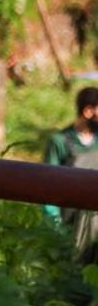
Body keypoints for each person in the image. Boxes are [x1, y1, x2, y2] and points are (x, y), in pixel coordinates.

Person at [43, 86, 98, 262]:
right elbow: (47, 188)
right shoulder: (59, 142)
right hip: (70, 226)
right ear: (88, 111)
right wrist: (56, 228)